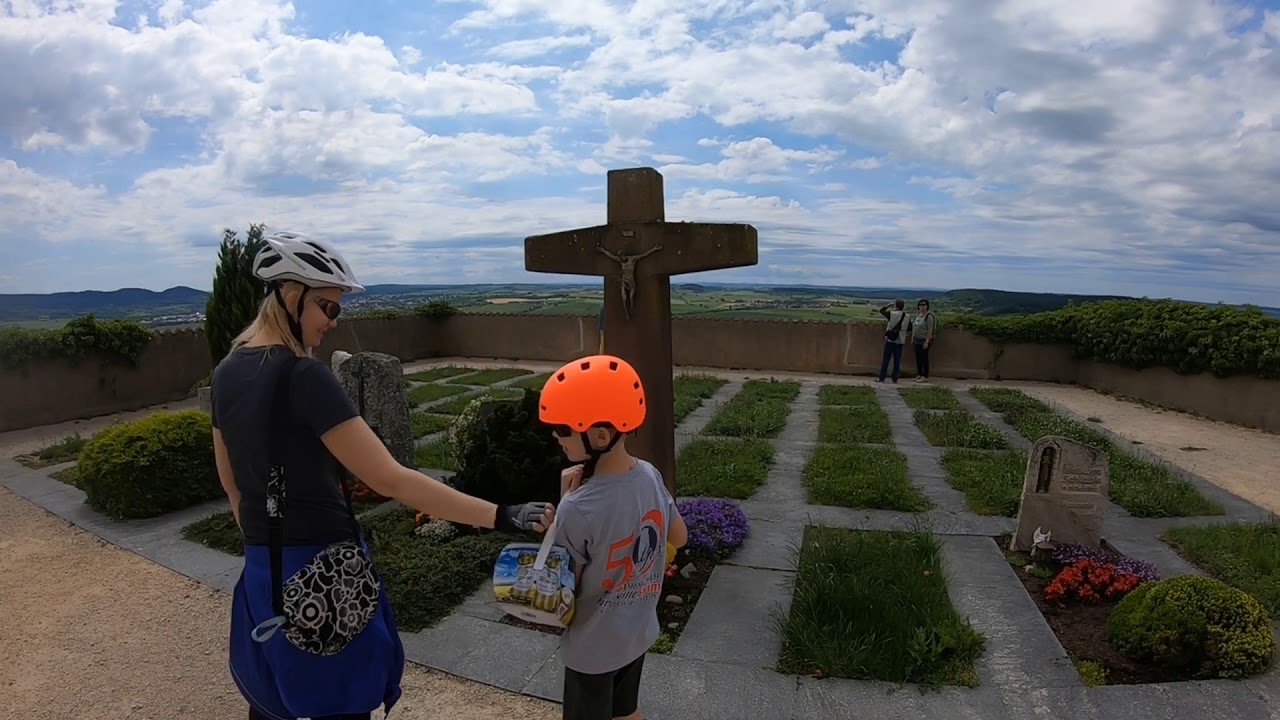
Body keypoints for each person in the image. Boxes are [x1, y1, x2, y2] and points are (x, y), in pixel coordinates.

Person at [211, 230, 553, 720]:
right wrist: (503, 514)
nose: (334, 321)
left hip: (263, 569)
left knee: (275, 702)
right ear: (292, 297)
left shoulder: (227, 371)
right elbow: (391, 479)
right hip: (323, 575)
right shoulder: (304, 376)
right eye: (329, 307)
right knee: (341, 705)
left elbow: (232, 486)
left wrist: (270, 546)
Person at [538, 355, 689, 720]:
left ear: (600, 435)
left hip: (592, 649)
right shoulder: (650, 475)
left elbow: (559, 589)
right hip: (636, 633)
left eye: (562, 429)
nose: (555, 437)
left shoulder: (579, 508)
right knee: (626, 711)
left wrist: (562, 511)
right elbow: (679, 537)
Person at [876, 299, 909, 383]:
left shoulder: (892, 314)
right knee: (897, 360)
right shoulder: (907, 316)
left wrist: (888, 305)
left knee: (886, 360)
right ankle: (895, 378)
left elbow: (882, 311)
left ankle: (882, 377)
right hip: (900, 341)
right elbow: (909, 328)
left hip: (890, 340)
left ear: (895, 306)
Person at [910, 298, 938, 382]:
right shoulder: (918, 315)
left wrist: (927, 341)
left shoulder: (929, 316)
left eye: (924, 305)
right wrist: (912, 338)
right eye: (920, 305)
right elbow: (914, 327)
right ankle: (919, 374)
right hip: (917, 340)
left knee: (924, 358)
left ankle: (924, 376)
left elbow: (930, 329)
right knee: (918, 358)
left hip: (924, 340)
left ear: (927, 306)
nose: (922, 306)